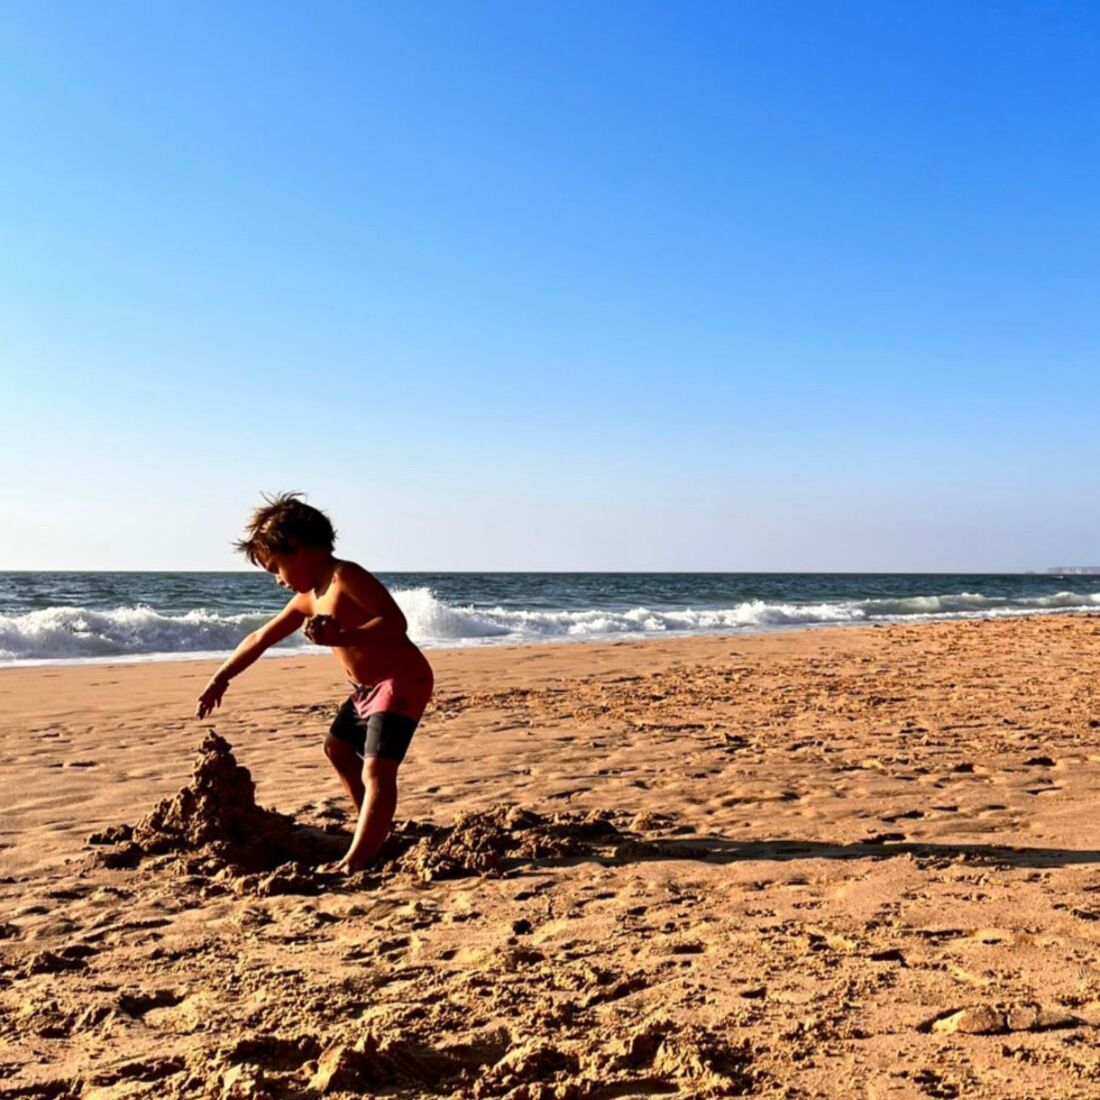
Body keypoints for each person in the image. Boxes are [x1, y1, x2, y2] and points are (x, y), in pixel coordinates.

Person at [195, 492, 433, 873]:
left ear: (298, 549)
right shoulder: (308, 598)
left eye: (275, 568)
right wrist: (221, 677)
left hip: (400, 679)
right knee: (337, 749)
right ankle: (373, 829)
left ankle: (359, 856)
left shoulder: (345, 576)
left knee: (377, 770)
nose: (277, 580)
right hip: (367, 690)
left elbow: (395, 624)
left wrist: (341, 638)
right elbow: (260, 638)